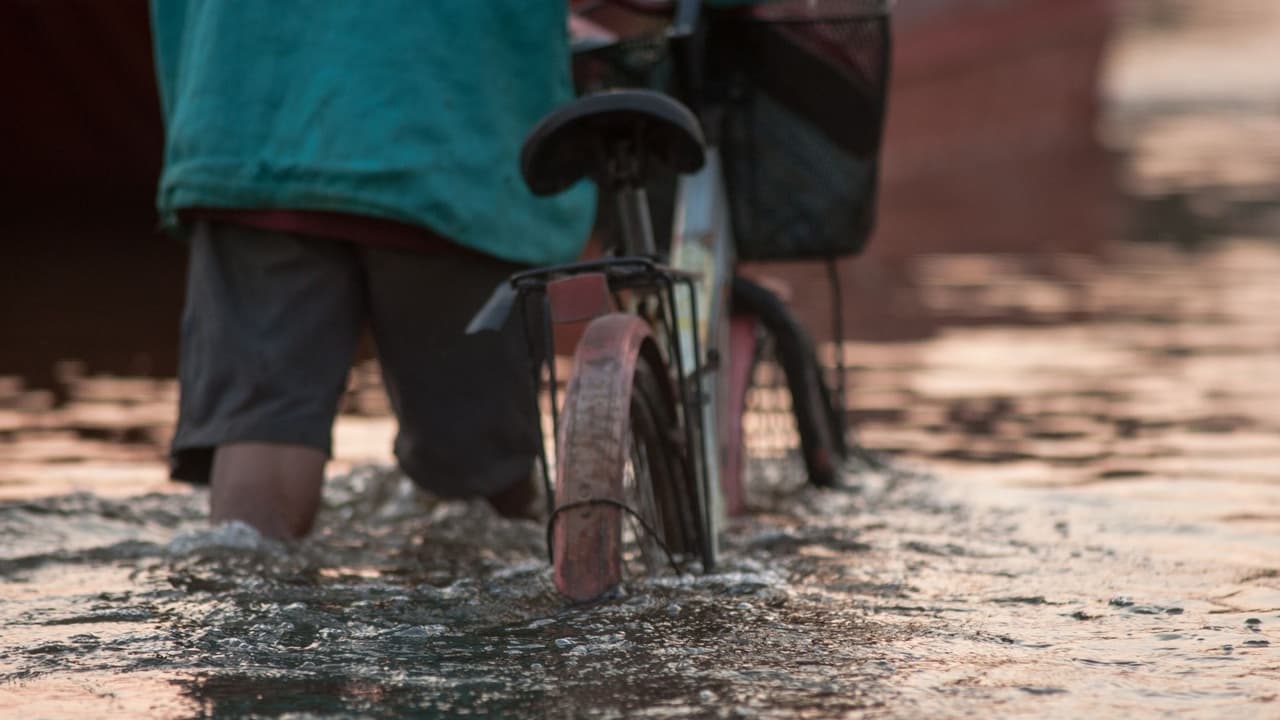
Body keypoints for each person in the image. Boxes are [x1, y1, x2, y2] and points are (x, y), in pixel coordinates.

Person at [150, 2, 595, 539]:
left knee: (262, 433)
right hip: (454, 146)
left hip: (247, 124)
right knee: (478, 483)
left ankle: (244, 599)